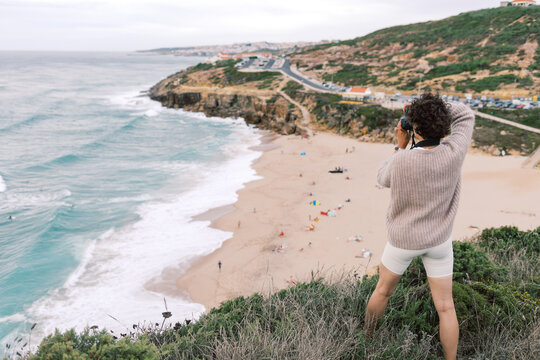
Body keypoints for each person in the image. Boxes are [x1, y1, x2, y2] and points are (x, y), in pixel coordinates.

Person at [364, 93, 474, 360]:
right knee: (446, 307)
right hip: (438, 241)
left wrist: (400, 145)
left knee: (382, 291)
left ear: (414, 128)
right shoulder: (454, 151)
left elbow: (382, 177)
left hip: (403, 241)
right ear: (443, 124)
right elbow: (466, 113)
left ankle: (365, 342)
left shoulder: (402, 160)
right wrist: (429, 110)